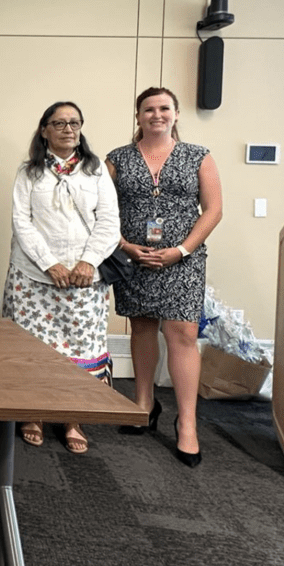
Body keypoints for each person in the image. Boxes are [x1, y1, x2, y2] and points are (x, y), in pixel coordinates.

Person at [106, 87, 223, 467]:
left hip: (183, 260)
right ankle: (144, 402)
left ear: (175, 113)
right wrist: (125, 246)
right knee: (141, 327)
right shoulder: (117, 159)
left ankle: (186, 422)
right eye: (148, 109)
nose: (156, 115)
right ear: (137, 116)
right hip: (134, 258)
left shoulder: (198, 156)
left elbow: (213, 210)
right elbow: (102, 211)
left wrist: (181, 250)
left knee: (183, 334)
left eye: (164, 108)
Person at [2, 102, 120, 453]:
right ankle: (33, 412)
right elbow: (21, 221)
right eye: (59, 123)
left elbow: (109, 221)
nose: (68, 129)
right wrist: (49, 263)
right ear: (44, 130)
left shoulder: (95, 171)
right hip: (35, 277)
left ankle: (73, 417)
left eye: (74, 123)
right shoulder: (29, 172)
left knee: (80, 348)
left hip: (84, 279)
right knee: (34, 348)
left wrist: (88, 262)